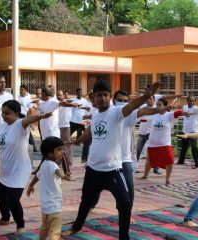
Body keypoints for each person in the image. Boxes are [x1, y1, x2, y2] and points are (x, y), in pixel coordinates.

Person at [62, 80, 160, 239]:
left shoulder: (117, 112)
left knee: (125, 203)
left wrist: (145, 96)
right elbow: (90, 130)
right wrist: (77, 141)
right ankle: (76, 227)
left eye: (105, 95)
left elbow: (132, 105)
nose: (102, 98)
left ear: (110, 96)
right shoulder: (95, 113)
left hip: (113, 171)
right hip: (93, 170)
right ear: (94, 97)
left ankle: (124, 236)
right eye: (99, 95)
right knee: (85, 202)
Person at [0, 100, 52, 235]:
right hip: (6, 170)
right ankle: (5, 218)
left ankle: (20, 225)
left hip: (19, 170)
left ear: (17, 114)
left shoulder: (19, 124)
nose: (4, 116)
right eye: (3, 113)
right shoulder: (2, 126)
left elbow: (28, 119)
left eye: (8, 113)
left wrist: (40, 117)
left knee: (12, 199)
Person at [26, 137, 71, 240]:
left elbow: (37, 176)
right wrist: (64, 176)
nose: (62, 152)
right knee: (55, 233)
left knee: (44, 229)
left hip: (45, 207)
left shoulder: (44, 164)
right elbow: (58, 172)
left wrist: (31, 185)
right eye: (59, 149)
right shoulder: (52, 165)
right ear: (50, 153)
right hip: (55, 208)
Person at [139, 98, 183, 185]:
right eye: (157, 105)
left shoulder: (168, 115)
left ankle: (167, 179)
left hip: (165, 143)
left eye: (160, 105)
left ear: (165, 106)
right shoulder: (154, 114)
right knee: (149, 161)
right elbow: (145, 118)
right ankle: (145, 175)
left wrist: (181, 111)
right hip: (152, 142)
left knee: (170, 159)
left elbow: (178, 113)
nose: (157, 106)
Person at [177, 96, 198, 169]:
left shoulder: (195, 108)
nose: (192, 102)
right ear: (187, 101)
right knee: (184, 147)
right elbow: (181, 108)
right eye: (190, 101)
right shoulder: (185, 107)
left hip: (193, 131)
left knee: (194, 147)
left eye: (193, 101)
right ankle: (181, 161)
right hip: (185, 130)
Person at [135, 95, 161, 174]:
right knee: (138, 150)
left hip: (152, 133)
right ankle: (134, 167)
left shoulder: (157, 108)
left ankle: (156, 168)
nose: (148, 100)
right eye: (147, 98)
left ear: (153, 100)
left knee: (155, 150)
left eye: (150, 98)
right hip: (142, 132)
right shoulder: (142, 107)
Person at [18, 85, 38, 152]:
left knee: (28, 132)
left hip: (24, 116)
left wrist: (30, 122)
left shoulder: (28, 98)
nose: (20, 91)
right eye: (20, 89)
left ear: (26, 90)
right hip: (17, 116)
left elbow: (30, 111)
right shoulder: (18, 97)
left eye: (22, 90)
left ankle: (33, 146)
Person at [57, 90, 73, 166]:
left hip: (65, 126)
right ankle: (59, 161)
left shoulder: (66, 101)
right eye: (57, 95)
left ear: (63, 96)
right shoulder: (55, 103)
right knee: (58, 145)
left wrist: (67, 97)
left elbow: (71, 100)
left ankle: (69, 161)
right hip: (57, 126)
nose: (59, 96)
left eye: (60, 95)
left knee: (67, 144)